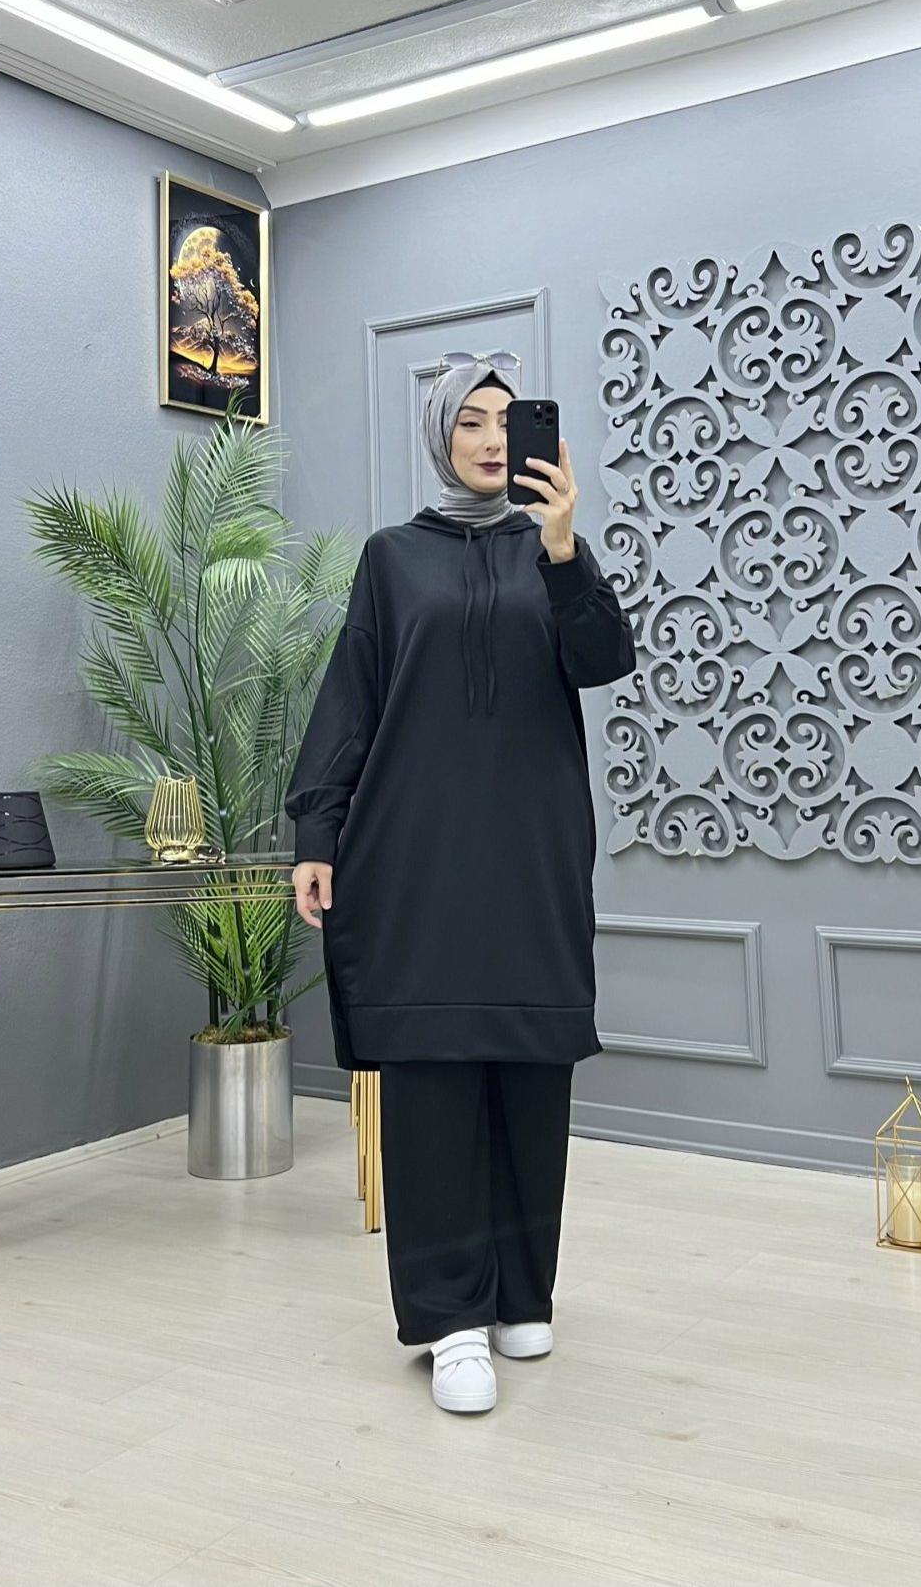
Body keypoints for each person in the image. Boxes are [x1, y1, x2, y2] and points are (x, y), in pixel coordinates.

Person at [284, 348, 636, 1414]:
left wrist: (564, 547)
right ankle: (449, 1322)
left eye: (505, 421)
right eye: (468, 421)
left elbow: (604, 661)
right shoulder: (393, 558)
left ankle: (524, 1291)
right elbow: (351, 696)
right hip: (415, 854)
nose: (489, 439)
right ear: (441, 437)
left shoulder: (554, 550)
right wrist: (316, 828)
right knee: (432, 1080)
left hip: (532, 852)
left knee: (530, 1070)